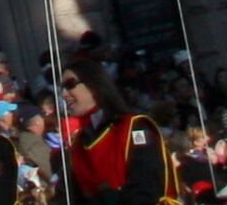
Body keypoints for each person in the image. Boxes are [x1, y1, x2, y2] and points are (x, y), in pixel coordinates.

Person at [59, 68, 175, 205]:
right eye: (62, 88)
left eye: (70, 84)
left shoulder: (133, 126)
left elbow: (147, 186)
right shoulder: (79, 145)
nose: (64, 94)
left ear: (94, 84)